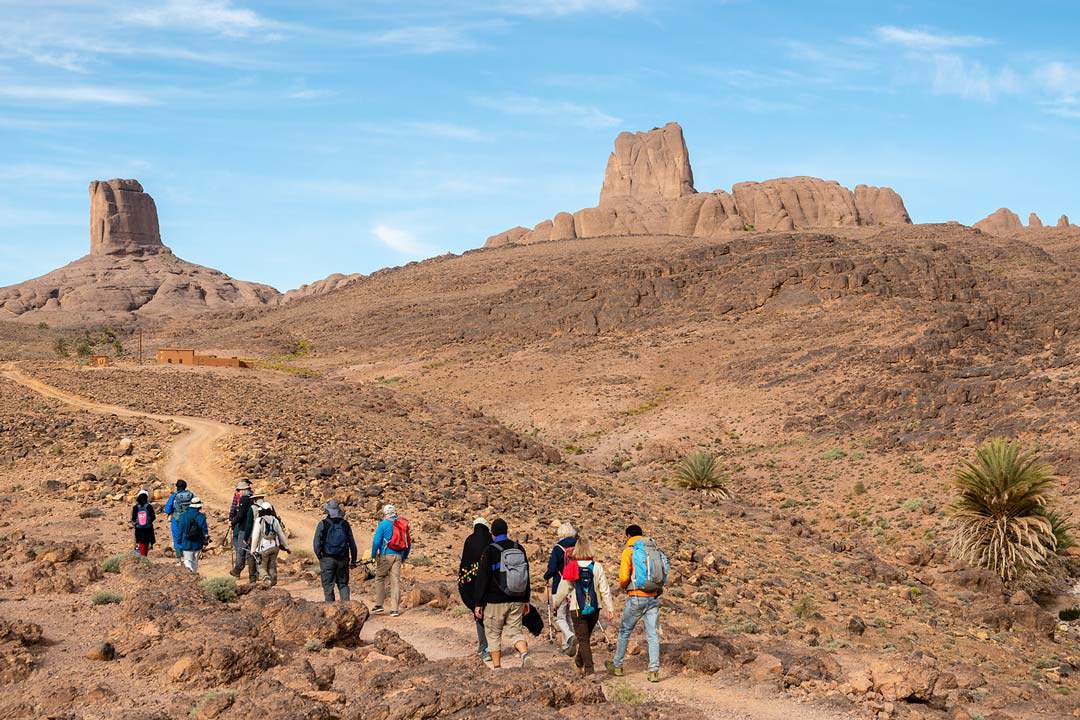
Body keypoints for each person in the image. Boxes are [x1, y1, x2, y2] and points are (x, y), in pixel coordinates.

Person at [607, 525, 668, 683]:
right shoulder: (653, 549)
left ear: (628, 535)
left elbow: (623, 577)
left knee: (625, 631)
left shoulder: (629, 550)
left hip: (636, 597)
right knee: (653, 635)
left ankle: (618, 665)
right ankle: (654, 671)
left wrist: (625, 586)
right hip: (653, 597)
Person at [551, 536, 614, 676]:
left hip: (577, 609)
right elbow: (604, 589)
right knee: (584, 639)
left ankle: (590, 671)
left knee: (583, 640)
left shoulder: (571, 566)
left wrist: (555, 604)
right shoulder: (597, 566)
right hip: (595, 608)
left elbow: (563, 589)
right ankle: (579, 663)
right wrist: (610, 607)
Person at [474, 518, 532, 669]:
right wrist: (526, 599)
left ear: (492, 533)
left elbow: (483, 578)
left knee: (493, 634)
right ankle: (525, 654)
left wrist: (479, 602)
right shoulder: (519, 548)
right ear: (507, 531)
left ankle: (498, 668)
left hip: (495, 601)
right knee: (515, 632)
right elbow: (526, 575)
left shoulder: (490, 550)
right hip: (517, 598)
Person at [458, 516, 492, 662]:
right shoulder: (490, 540)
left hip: (471, 584)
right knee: (491, 613)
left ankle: (484, 646)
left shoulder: (469, 540)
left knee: (478, 612)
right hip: (489, 584)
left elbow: (465, 562)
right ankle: (492, 646)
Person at [370, 504, 411, 617]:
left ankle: (379, 605)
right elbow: (408, 544)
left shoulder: (383, 524)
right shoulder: (402, 525)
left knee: (379, 577)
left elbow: (376, 542)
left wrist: (373, 556)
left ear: (385, 513)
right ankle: (394, 610)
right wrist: (403, 557)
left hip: (385, 555)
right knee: (395, 581)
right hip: (398, 556)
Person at [544, 522, 578, 656]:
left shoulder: (558, 548)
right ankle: (568, 645)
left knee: (560, 617)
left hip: (560, 586)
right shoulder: (578, 546)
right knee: (570, 616)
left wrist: (546, 576)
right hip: (576, 585)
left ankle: (569, 637)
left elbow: (552, 569)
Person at [313, 500, 358, 602]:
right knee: (343, 585)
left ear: (327, 511)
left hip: (327, 559)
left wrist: (320, 557)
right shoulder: (345, 524)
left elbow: (316, 544)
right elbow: (352, 544)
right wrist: (353, 560)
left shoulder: (323, 524)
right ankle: (347, 609)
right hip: (343, 559)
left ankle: (332, 611)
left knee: (328, 587)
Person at [250, 499, 290, 586]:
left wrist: (253, 549)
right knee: (272, 565)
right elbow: (281, 534)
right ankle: (273, 581)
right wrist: (286, 547)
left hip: (263, 548)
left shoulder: (259, 520)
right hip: (275, 547)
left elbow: (255, 536)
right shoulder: (275, 520)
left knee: (261, 566)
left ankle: (265, 578)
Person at [229, 483, 257, 581]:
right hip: (254, 529)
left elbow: (240, 515)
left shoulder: (244, 499)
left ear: (243, 490)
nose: (238, 492)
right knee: (251, 551)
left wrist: (232, 522)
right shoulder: (253, 499)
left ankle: (237, 570)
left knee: (241, 550)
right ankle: (252, 575)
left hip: (243, 529)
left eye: (239, 490)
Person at [176, 496, 209, 573]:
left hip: (186, 542)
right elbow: (204, 530)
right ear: (199, 506)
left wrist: (179, 541)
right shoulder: (201, 516)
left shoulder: (183, 516)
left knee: (187, 561)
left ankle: (190, 576)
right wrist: (206, 540)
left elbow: (180, 530)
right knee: (195, 562)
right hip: (198, 543)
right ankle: (193, 575)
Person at [163, 479, 193, 560]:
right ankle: (188, 558)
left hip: (177, 520)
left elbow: (167, 509)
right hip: (189, 520)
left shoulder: (174, 496)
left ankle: (179, 559)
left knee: (177, 539)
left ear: (177, 487)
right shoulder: (190, 494)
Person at [131, 489, 156, 557]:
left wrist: (136, 523)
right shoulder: (149, 506)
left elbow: (133, 518)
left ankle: (142, 557)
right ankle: (145, 556)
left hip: (139, 529)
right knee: (147, 542)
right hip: (148, 528)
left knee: (140, 543)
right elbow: (153, 517)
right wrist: (149, 522)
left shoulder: (135, 507)